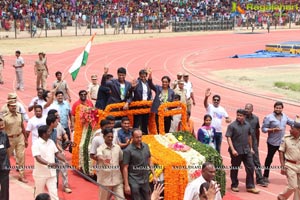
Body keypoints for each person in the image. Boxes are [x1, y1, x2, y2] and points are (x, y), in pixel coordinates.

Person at [226, 109, 259, 194]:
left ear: (244, 116)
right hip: (236, 151)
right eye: (238, 115)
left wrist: (251, 148)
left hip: (246, 150)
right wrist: (232, 150)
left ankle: (250, 186)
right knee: (235, 168)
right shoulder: (232, 126)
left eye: (241, 116)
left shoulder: (247, 125)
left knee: (251, 167)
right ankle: (234, 185)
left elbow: (249, 137)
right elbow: (228, 138)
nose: (239, 117)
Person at [262, 101, 294, 184]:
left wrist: (297, 121)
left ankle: (290, 178)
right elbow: (263, 129)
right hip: (272, 142)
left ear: (282, 109)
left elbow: (292, 123)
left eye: (280, 108)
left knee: (286, 160)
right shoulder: (269, 117)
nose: (278, 109)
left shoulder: (285, 117)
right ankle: (265, 176)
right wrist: (273, 130)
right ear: (274, 108)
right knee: (269, 159)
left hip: (282, 142)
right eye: (276, 107)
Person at [32, 125, 67, 200]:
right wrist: (49, 164)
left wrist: (64, 160)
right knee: (39, 194)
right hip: (40, 174)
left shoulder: (51, 142)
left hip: (52, 174)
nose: (51, 133)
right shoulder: (36, 144)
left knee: (54, 194)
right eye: (49, 131)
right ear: (43, 134)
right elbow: (38, 158)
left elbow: (57, 153)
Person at [123, 129, 157, 200]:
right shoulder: (128, 150)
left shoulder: (146, 146)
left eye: (140, 137)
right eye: (137, 137)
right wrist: (126, 185)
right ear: (132, 137)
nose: (139, 139)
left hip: (145, 178)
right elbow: (125, 168)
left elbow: (149, 161)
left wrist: (154, 175)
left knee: (148, 198)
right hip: (134, 180)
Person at [3, 99, 28, 183]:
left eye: (15, 105)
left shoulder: (19, 115)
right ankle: (4, 174)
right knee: (6, 157)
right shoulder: (5, 117)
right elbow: (2, 130)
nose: (14, 107)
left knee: (21, 157)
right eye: (12, 106)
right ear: (8, 106)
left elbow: (22, 127)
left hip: (19, 137)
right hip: (9, 139)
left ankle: (21, 175)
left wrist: (26, 138)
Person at [96, 128, 125, 200]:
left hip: (117, 180)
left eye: (111, 137)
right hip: (105, 181)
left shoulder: (117, 148)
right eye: (108, 137)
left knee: (121, 198)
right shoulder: (100, 148)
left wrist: (124, 177)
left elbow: (121, 161)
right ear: (104, 137)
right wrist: (103, 159)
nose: (110, 138)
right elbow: (99, 155)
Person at [244, 103, 268, 187]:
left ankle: (259, 179)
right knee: (239, 161)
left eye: (248, 109)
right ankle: (235, 181)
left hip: (253, 143)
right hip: (243, 143)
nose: (246, 110)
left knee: (256, 161)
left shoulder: (256, 118)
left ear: (252, 110)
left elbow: (257, 131)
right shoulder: (242, 118)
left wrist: (257, 142)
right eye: (245, 108)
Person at [204, 88, 231, 154]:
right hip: (209, 131)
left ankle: (217, 163)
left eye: (217, 100)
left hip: (218, 132)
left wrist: (228, 120)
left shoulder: (222, 109)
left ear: (219, 101)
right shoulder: (210, 107)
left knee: (218, 149)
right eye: (215, 100)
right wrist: (206, 97)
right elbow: (205, 104)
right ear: (212, 100)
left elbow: (228, 118)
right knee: (209, 147)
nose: (216, 101)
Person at [277, 121, 300, 200]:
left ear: (298, 130)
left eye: (292, 128)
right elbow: (281, 151)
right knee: (293, 186)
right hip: (290, 165)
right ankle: (282, 197)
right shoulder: (286, 138)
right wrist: (282, 166)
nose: (290, 130)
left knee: (299, 188)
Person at [132, 69, 152, 134]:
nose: (143, 78)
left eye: (144, 76)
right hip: (138, 106)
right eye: (142, 76)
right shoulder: (137, 83)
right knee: (137, 122)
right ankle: (135, 135)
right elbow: (132, 91)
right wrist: (132, 87)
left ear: (146, 76)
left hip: (146, 105)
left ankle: (145, 135)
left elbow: (150, 93)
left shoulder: (148, 83)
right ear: (139, 76)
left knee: (145, 122)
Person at [0, 117, 10, 200]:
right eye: (0, 125)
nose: (2, 127)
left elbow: (7, 149)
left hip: (4, 166)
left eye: (2, 125)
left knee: (5, 189)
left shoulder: (4, 135)